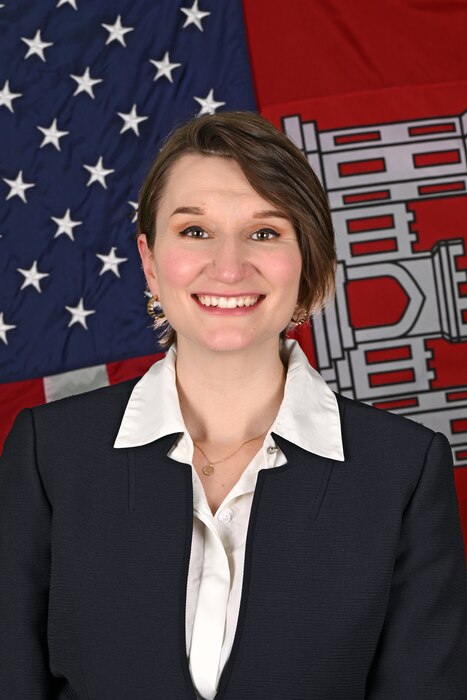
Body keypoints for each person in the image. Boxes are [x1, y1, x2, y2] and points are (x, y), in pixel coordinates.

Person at [0, 111, 466, 700]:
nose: (228, 265)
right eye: (195, 231)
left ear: (308, 261)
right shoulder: (50, 456)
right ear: (149, 259)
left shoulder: (403, 471)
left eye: (265, 232)